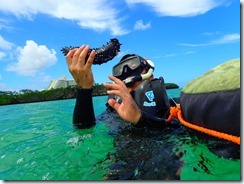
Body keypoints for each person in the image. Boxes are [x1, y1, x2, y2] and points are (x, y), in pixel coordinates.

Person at [66, 45, 177, 129]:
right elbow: (83, 129)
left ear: (150, 75)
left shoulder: (174, 106)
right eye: (119, 69)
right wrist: (84, 88)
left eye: (134, 65)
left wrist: (139, 118)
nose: (126, 71)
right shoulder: (115, 110)